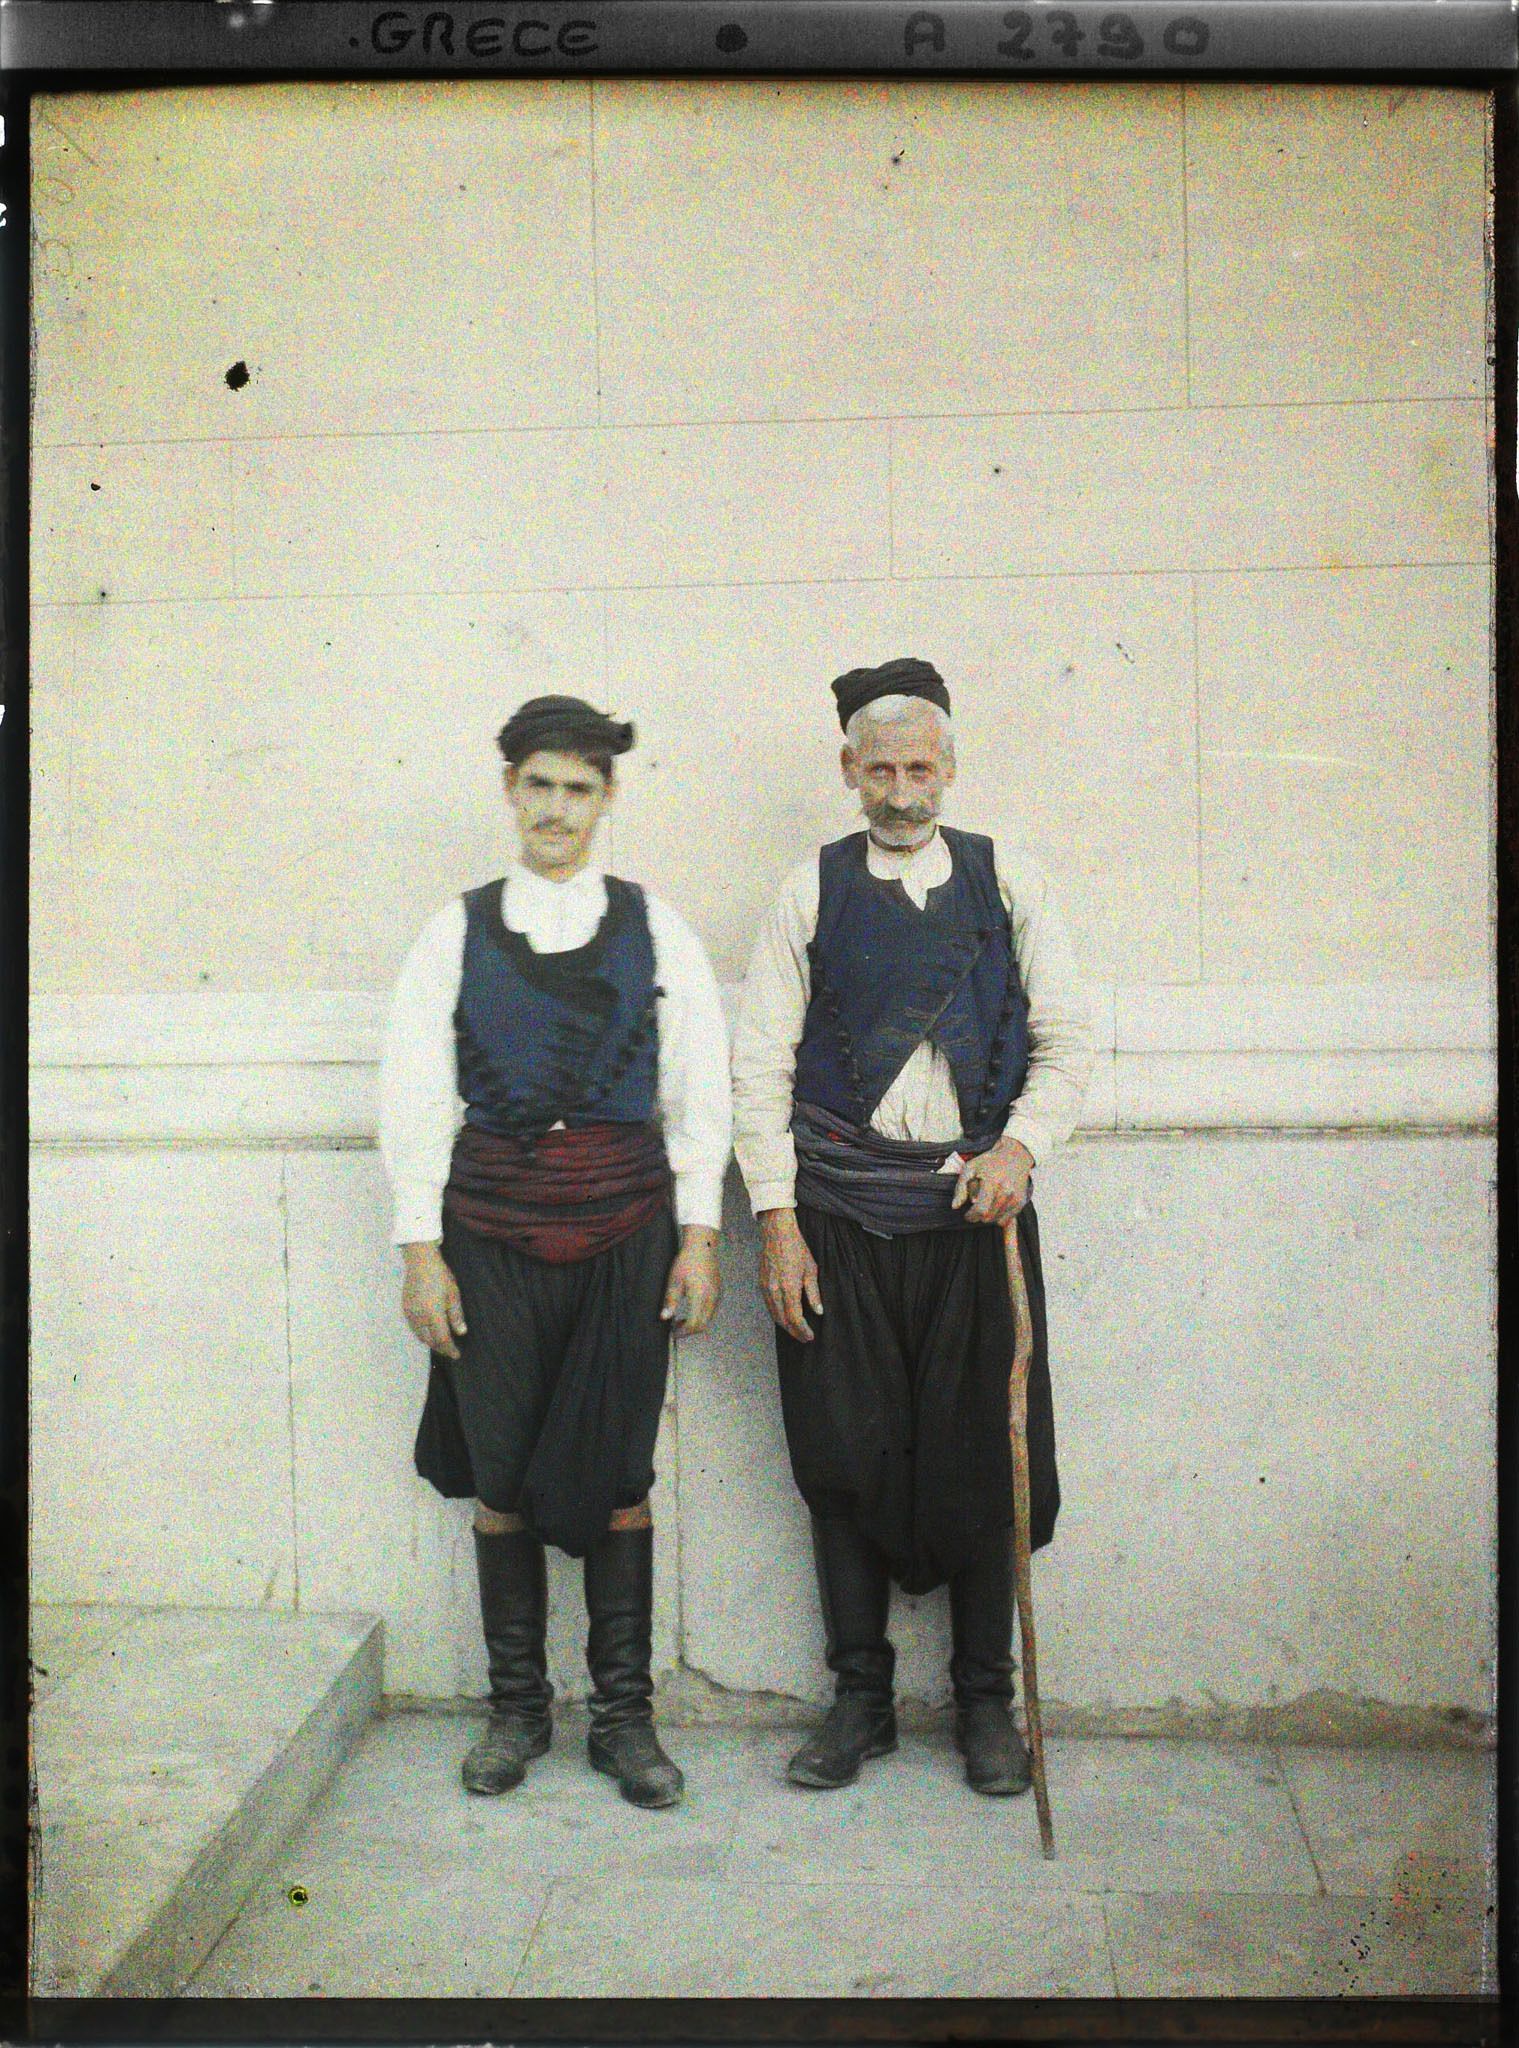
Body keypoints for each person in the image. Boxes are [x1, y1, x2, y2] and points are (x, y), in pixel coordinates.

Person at [732, 658, 1093, 1797]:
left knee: (989, 1454)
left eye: (919, 767)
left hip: (972, 1214)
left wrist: (1020, 1147)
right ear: (848, 769)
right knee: (840, 1455)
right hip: (836, 1215)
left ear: (951, 765)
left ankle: (987, 1703)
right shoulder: (808, 890)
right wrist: (777, 1223)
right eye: (878, 768)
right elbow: (758, 1067)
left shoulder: (1007, 880)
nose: (899, 791)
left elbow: (1069, 1042)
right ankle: (860, 1700)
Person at [379, 695, 730, 1810]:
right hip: (487, 1238)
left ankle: (623, 1718)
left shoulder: (655, 927)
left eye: (579, 789)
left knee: (621, 1471)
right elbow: (415, 1098)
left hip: (629, 1235)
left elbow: (697, 1093)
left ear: (606, 798)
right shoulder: (456, 930)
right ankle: (516, 1709)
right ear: (509, 790)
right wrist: (419, 1250)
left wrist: (699, 1240)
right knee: (500, 1472)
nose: (557, 808)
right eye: (539, 784)